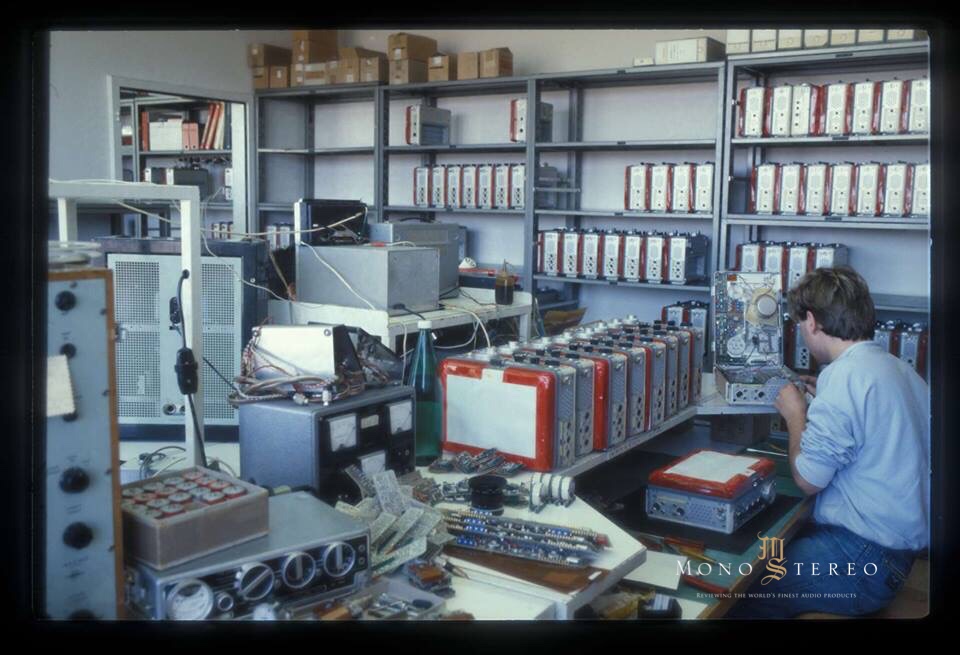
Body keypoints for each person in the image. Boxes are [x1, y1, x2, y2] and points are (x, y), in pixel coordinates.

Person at [728, 267, 930, 618]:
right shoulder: (898, 369)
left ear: (811, 321)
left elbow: (808, 479)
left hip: (862, 560)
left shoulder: (845, 376)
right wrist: (822, 401)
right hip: (896, 556)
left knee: (737, 588)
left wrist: (795, 414)